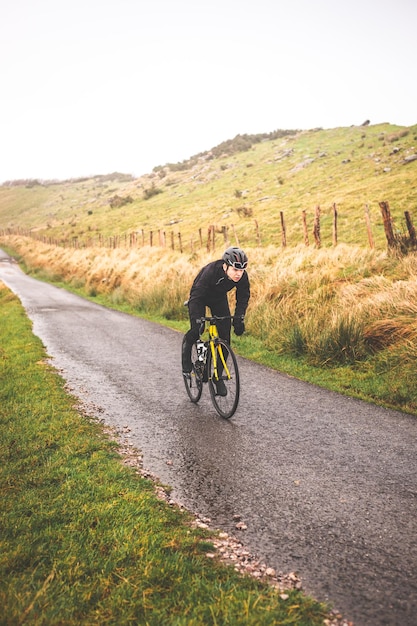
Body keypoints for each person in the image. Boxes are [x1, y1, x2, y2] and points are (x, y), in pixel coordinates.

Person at [182, 246, 250, 395]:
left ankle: (217, 377)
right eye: (235, 270)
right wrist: (198, 320)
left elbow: (243, 297)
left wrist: (239, 318)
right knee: (197, 329)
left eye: (242, 270)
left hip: (218, 299)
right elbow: (196, 295)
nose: (239, 274)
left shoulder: (242, 276)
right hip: (199, 296)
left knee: (225, 340)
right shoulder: (211, 272)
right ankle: (186, 354)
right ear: (225, 266)